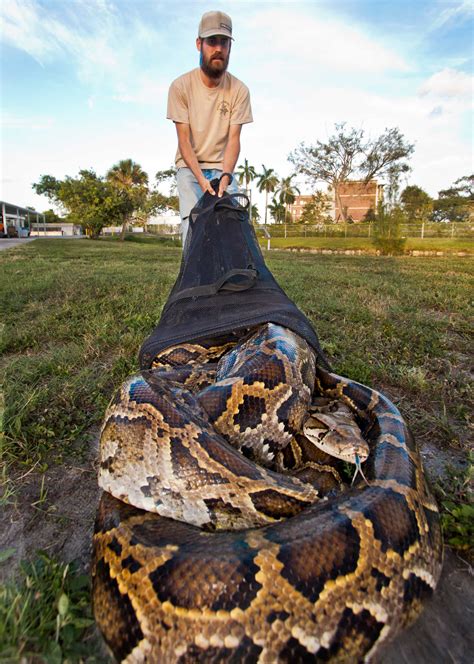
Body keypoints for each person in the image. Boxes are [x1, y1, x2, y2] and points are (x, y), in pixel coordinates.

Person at [167, 10, 253, 243]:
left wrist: (225, 177)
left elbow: (234, 140)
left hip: (222, 168)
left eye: (224, 42)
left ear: (230, 47)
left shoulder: (239, 90)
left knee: (237, 225)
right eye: (212, 41)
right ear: (199, 44)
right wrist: (201, 180)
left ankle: (234, 278)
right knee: (193, 224)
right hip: (189, 167)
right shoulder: (180, 86)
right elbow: (183, 141)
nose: (218, 48)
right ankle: (193, 279)